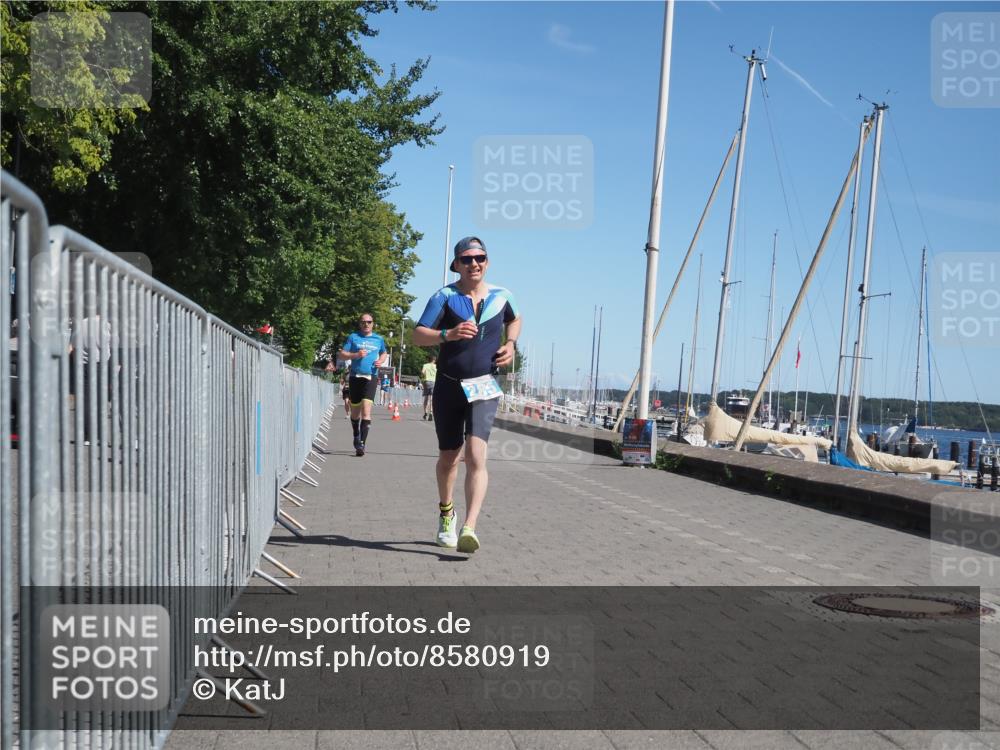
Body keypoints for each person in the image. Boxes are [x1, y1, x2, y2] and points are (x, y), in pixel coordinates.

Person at [413, 237, 520, 553]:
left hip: (484, 387)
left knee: (476, 455)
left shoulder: (502, 297)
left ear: (487, 262)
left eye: (481, 258)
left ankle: (469, 527)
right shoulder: (444, 297)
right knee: (449, 457)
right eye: (467, 258)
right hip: (448, 386)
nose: (475, 263)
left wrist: (511, 345)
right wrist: (447, 334)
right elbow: (418, 335)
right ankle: (447, 513)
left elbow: (515, 319)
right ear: (457, 264)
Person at [338, 314, 388, 456]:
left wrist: (381, 361)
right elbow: (342, 354)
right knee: (355, 413)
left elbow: (384, 352)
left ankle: (362, 445)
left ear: (373, 323)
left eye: (369, 322)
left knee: (366, 410)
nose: (366, 324)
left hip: (371, 377)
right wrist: (355, 355)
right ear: (360, 324)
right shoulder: (353, 337)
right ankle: (356, 435)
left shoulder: (378, 339)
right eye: (363, 322)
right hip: (355, 377)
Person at [420, 355, 437, 421]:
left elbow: (422, 372)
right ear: (434, 360)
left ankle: (425, 413)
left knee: (426, 398)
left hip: (427, 381)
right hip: (434, 382)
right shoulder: (436, 366)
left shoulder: (425, 365)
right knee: (432, 399)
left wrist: (425, 375)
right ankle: (431, 413)